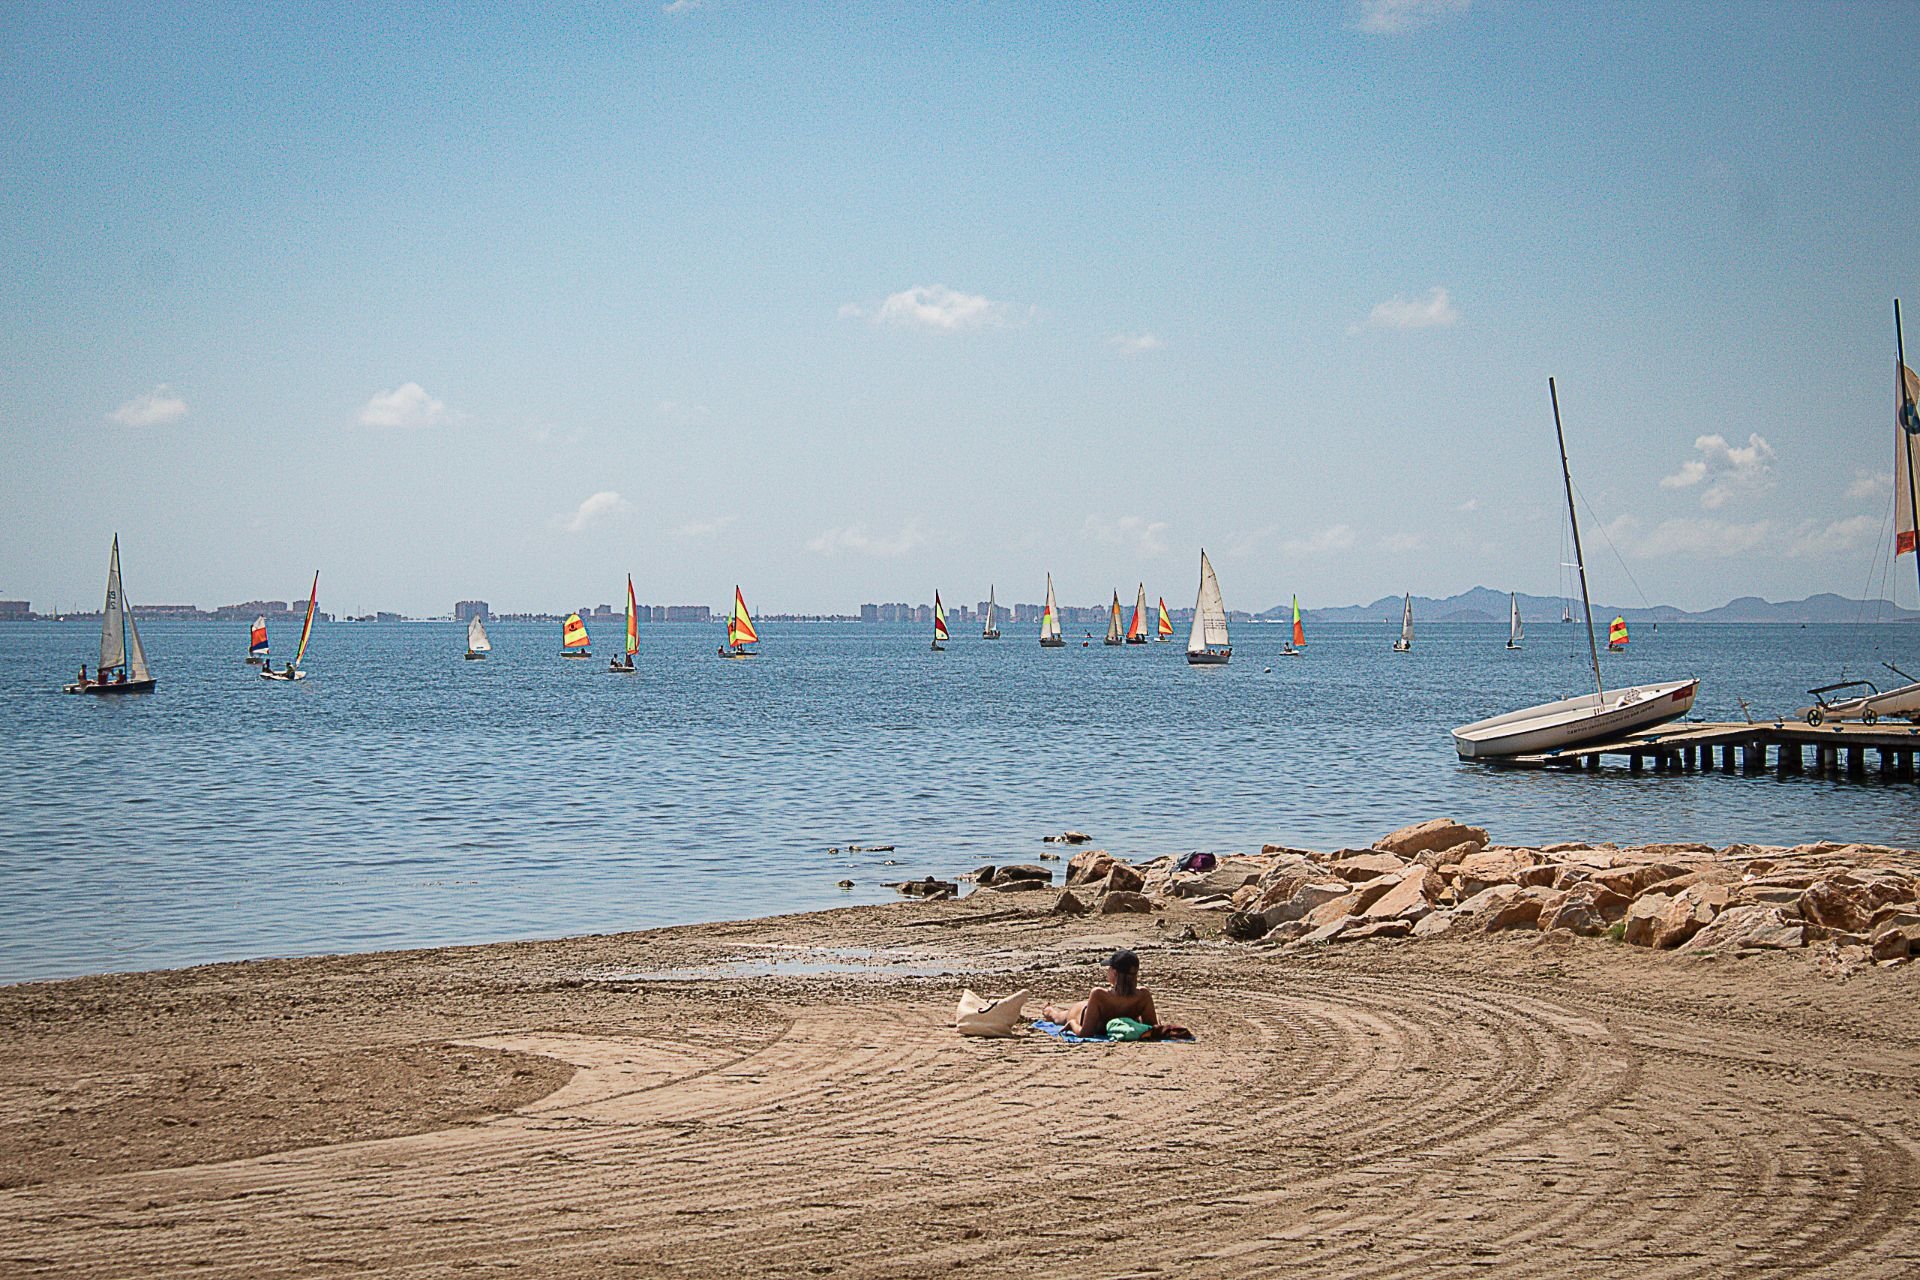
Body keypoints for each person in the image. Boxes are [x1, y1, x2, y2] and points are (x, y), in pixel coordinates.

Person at [1042, 949, 1157, 1036]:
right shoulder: (1143, 995)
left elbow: (1085, 1033)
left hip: (1080, 1013)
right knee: (1056, 1015)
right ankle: (1048, 1010)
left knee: (1057, 1017)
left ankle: (1048, 1010)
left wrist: (1072, 1023)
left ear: (1115, 973)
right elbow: (1153, 1029)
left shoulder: (1100, 994)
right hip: (1089, 1009)